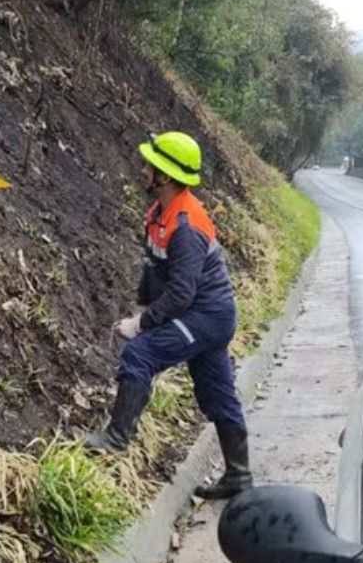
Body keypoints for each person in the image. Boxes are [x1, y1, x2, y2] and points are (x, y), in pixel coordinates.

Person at [85, 131, 252, 501]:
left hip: (206, 316)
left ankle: (115, 438)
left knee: (139, 354)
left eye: (151, 165)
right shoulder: (159, 214)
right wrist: (142, 307)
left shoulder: (186, 225)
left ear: (164, 176)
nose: (143, 169)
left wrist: (141, 325)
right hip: (202, 314)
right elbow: (155, 270)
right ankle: (239, 476)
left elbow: (181, 292)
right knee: (216, 393)